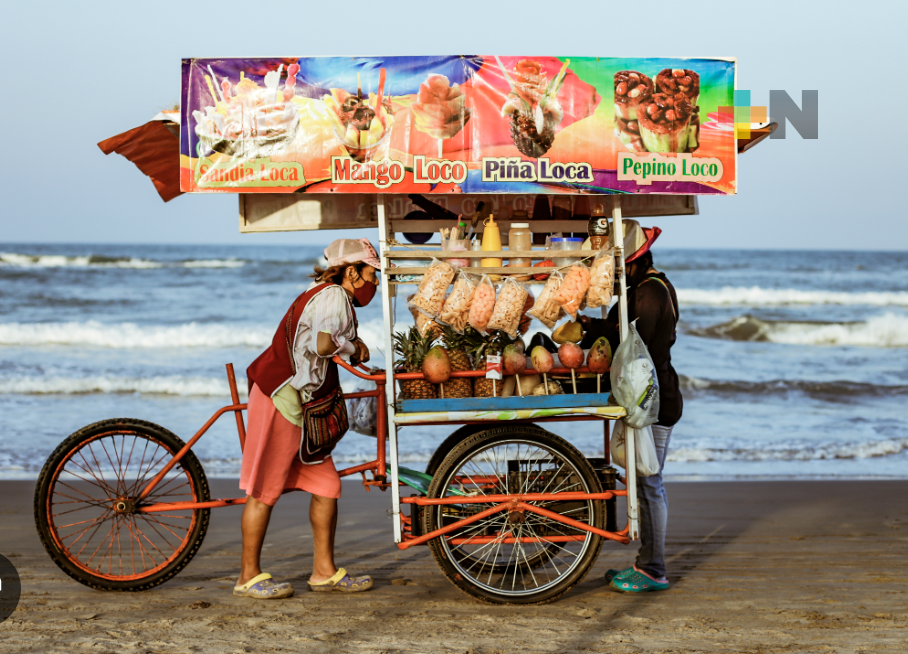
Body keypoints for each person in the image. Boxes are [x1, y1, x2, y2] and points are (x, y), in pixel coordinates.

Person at [233, 238, 381, 599]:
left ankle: (324, 572)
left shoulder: (321, 292)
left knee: (326, 486)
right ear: (351, 272)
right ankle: (247, 576)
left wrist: (353, 345)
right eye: (372, 274)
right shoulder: (332, 296)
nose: (375, 282)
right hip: (282, 398)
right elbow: (324, 344)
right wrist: (353, 347)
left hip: (303, 404)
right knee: (264, 490)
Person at [579, 221, 681, 593]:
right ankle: (645, 562)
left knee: (650, 482)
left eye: (618, 267)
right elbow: (613, 332)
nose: (614, 274)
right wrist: (587, 326)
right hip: (644, 397)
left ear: (635, 262)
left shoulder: (650, 294)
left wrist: (597, 335)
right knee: (640, 481)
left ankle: (654, 568)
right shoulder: (640, 289)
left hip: (653, 401)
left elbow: (634, 346)